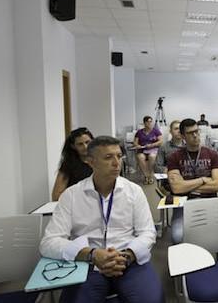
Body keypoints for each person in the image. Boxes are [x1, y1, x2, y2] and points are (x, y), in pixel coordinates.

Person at [40, 136, 164, 302]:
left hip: (127, 261)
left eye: (119, 156)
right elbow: (48, 242)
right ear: (90, 162)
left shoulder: (133, 191)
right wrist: (91, 255)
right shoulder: (72, 195)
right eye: (108, 157)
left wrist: (127, 256)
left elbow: (148, 232)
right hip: (87, 265)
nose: (116, 163)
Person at [167, 118, 218, 242]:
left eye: (197, 131)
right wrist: (203, 179)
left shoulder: (212, 155)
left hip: (209, 202)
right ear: (182, 136)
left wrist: (185, 185)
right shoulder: (174, 157)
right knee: (177, 236)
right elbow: (176, 188)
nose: (195, 135)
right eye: (190, 133)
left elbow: (217, 185)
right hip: (184, 204)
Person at [52, 127, 94, 201]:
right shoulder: (68, 165)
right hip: (77, 205)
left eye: (87, 142)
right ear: (73, 146)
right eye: (80, 144)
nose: (85, 147)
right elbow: (56, 196)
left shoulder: (101, 161)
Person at [134, 116, 163, 185]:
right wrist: (137, 145)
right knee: (140, 157)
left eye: (151, 121)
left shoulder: (156, 131)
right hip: (142, 149)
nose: (150, 123)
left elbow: (161, 141)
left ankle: (150, 175)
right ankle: (146, 176)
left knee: (152, 157)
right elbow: (135, 142)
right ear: (144, 123)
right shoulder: (139, 132)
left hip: (153, 149)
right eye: (148, 122)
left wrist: (152, 145)